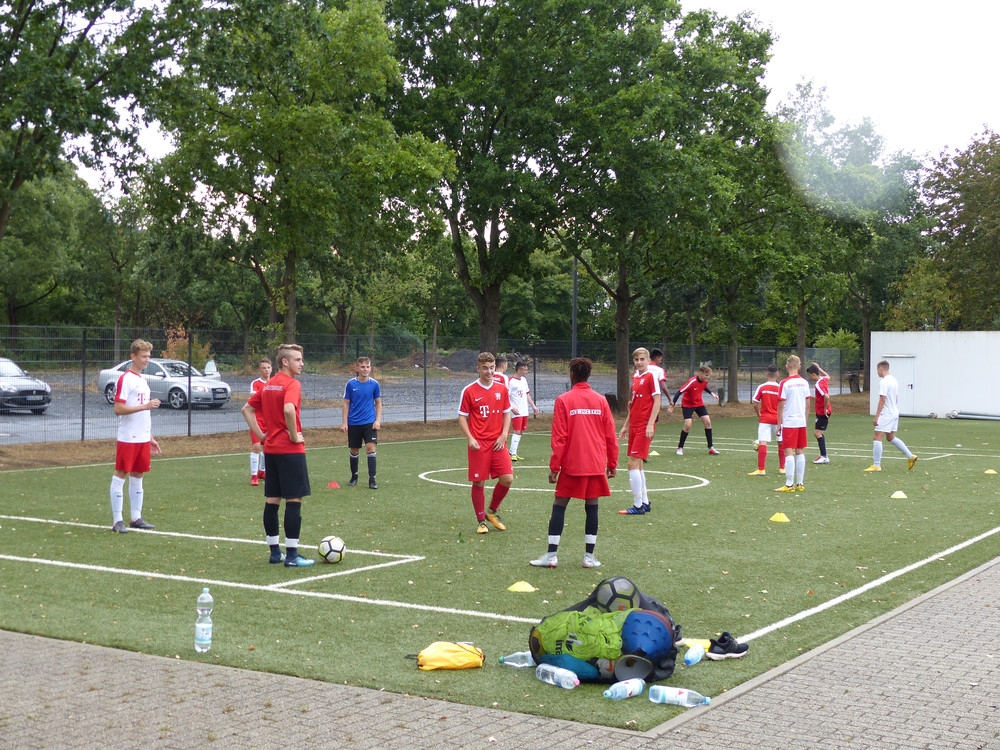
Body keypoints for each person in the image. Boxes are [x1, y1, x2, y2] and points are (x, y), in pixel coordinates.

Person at [530, 357, 618, 569]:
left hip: (572, 463)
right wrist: (612, 463)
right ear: (589, 374)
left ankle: (552, 555)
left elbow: (559, 437)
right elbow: (611, 435)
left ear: (571, 374)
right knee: (592, 506)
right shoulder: (601, 400)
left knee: (559, 505)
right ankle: (589, 557)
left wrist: (554, 467)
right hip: (595, 463)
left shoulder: (563, 400)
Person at [241, 343, 315, 567]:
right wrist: (293, 434)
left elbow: (246, 409)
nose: (302, 363)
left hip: (271, 450)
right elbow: (289, 409)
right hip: (290, 450)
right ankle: (291, 555)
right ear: (285, 361)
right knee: (294, 499)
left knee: (272, 499)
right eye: (298, 359)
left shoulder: (268, 385)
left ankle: (275, 552)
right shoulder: (292, 383)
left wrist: (262, 436)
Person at [458, 352, 514, 534]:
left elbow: (507, 413)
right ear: (478, 368)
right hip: (479, 443)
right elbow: (462, 417)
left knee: (507, 478)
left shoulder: (502, 389)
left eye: (491, 367)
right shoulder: (469, 390)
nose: (489, 371)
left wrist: (504, 434)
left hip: (498, 442)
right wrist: (470, 438)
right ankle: (481, 521)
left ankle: (492, 511)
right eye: (485, 368)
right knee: (479, 482)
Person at [109, 339, 162, 533]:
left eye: (149, 356)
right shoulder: (126, 379)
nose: (147, 359)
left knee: (138, 474)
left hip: (141, 437)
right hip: (128, 437)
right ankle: (117, 520)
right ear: (133, 356)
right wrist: (145, 406)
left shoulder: (142, 380)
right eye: (144, 356)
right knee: (121, 473)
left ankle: (136, 517)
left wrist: (149, 436)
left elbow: (143, 414)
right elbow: (118, 408)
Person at [618, 347, 660, 515]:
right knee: (639, 465)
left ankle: (637, 506)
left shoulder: (651, 376)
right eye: (636, 360)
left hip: (644, 425)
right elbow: (633, 405)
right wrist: (625, 426)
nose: (639, 362)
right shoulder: (635, 377)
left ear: (648, 360)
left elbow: (657, 401)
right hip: (635, 425)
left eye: (642, 359)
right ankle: (644, 502)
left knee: (632, 463)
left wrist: (650, 424)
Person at [864, 360, 918, 472]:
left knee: (877, 437)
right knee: (890, 437)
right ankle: (910, 456)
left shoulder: (884, 382)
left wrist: (877, 416)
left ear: (881, 369)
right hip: (894, 412)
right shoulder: (894, 380)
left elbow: (882, 399)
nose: (877, 372)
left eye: (877, 370)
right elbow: (896, 398)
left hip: (887, 413)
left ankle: (876, 465)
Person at [341, 356, 382, 489]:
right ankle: (354, 477)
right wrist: (344, 422)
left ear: (370, 368)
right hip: (354, 422)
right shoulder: (351, 384)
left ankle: (372, 480)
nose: (365, 369)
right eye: (363, 367)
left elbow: (378, 403)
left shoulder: (374, 384)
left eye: (368, 367)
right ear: (357, 368)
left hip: (369, 422)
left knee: (370, 448)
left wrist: (377, 420)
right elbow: (346, 403)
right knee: (354, 450)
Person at [775, 354, 811, 492]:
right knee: (800, 450)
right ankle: (800, 483)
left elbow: (781, 405)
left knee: (788, 450)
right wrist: (804, 420)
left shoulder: (784, 383)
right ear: (799, 367)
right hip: (801, 421)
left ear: (787, 367)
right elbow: (808, 404)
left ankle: (789, 484)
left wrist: (779, 423)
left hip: (789, 421)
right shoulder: (804, 383)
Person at [668, 365, 719, 455]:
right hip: (688, 405)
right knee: (688, 425)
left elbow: (704, 387)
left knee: (708, 422)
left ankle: (710, 448)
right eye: (706, 375)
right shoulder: (692, 381)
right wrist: (672, 406)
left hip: (699, 404)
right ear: (701, 373)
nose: (707, 377)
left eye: (708, 375)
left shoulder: (705, 381)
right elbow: (679, 392)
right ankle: (680, 447)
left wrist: (712, 393)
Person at [748, 365, 781, 476]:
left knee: (763, 442)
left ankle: (761, 469)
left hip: (765, 418)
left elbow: (755, 404)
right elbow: (784, 404)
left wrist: (759, 415)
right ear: (778, 375)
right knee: (781, 442)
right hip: (778, 419)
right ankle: (782, 468)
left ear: (766, 374)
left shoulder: (762, 387)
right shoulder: (781, 388)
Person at [507, 360, 538, 461]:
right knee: (517, 430)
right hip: (516, 411)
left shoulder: (524, 380)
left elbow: (527, 394)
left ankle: (513, 452)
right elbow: (506, 396)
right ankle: (512, 453)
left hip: (524, 410)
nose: (526, 372)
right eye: (525, 370)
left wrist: (533, 406)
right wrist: (511, 407)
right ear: (519, 370)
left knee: (520, 431)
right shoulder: (511, 381)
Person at [248, 357, 272, 486]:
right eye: (264, 368)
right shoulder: (256, 383)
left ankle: (262, 471)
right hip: (257, 420)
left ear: (271, 369)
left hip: (270, 420)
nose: (266, 370)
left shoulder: (274, 383)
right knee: (256, 446)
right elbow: (254, 399)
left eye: (268, 367)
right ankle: (253, 476)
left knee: (267, 446)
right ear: (259, 370)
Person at [806, 363, 832, 464]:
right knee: (819, 433)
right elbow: (828, 376)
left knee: (817, 433)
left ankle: (824, 456)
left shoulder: (818, 384)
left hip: (823, 412)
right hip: (822, 411)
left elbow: (826, 396)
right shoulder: (823, 379)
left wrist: (825, 409)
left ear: (813, 374)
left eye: (810, 375)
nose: (810, 378)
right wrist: (819, 368)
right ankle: (823, 455)